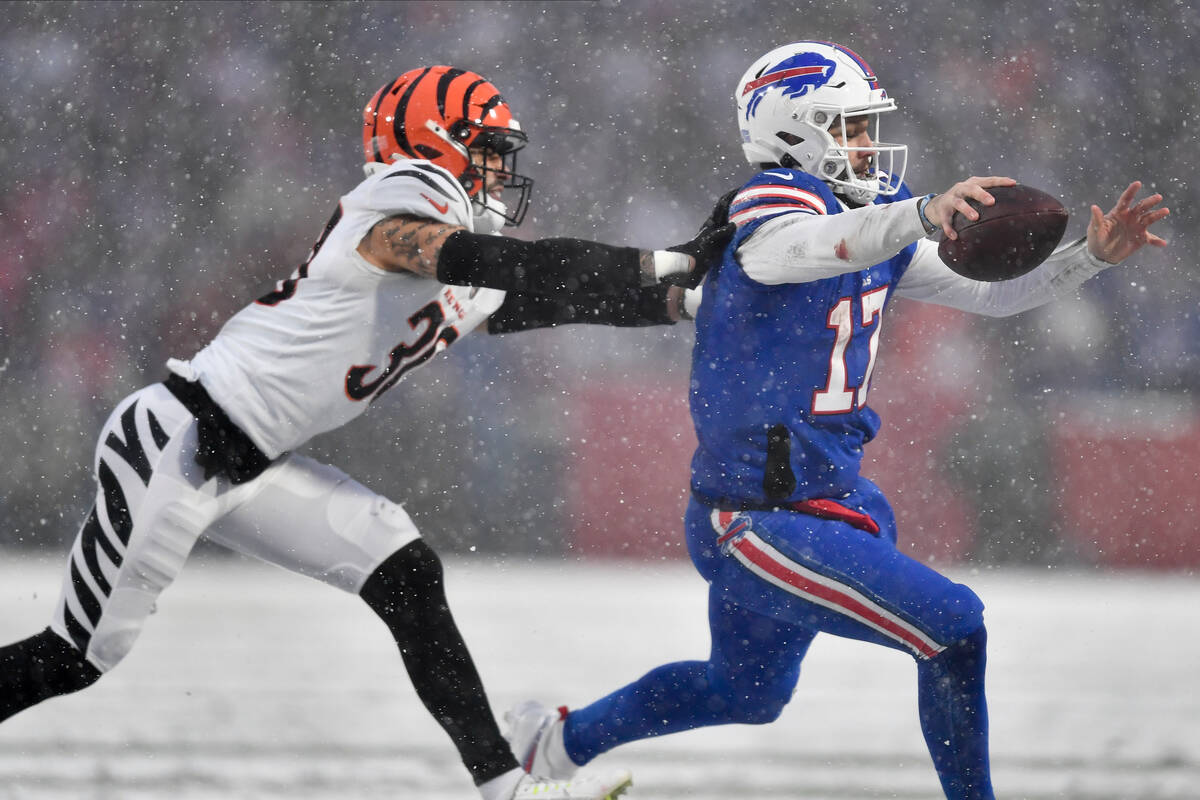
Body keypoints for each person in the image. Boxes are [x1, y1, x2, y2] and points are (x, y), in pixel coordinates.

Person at [0, 64, 729, 800]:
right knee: (76, 656)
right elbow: (514, 264)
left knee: (406, 572)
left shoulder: (451, 252)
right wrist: (664, 258)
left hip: (249, 462)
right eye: (486, 147)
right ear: (433, 142)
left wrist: (691, 302)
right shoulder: (397, 205)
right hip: (182, 440)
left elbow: (553, 299)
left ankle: (506, 786)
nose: (500, 170)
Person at [503, 41, 1170, 800]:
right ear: (795, 131)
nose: (867, 144)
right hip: (757, 520)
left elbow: (986, 293)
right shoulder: (770, 208)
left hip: (832, 502)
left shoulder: (866, 213)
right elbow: (804, 248)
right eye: (848, 127)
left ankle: (554, 743)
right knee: (954, 629)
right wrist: (916, 213)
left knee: (744, 694)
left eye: (865, 125)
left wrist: (1091, 258)